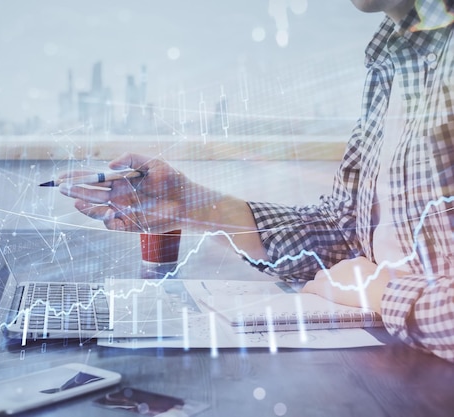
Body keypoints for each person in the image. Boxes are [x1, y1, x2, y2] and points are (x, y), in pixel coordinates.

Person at [58, 0, 454, 363]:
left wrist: (383, 295)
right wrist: (192, 205)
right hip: (394, 356)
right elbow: (346, 234)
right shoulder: (393, 55)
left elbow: (366, 278)